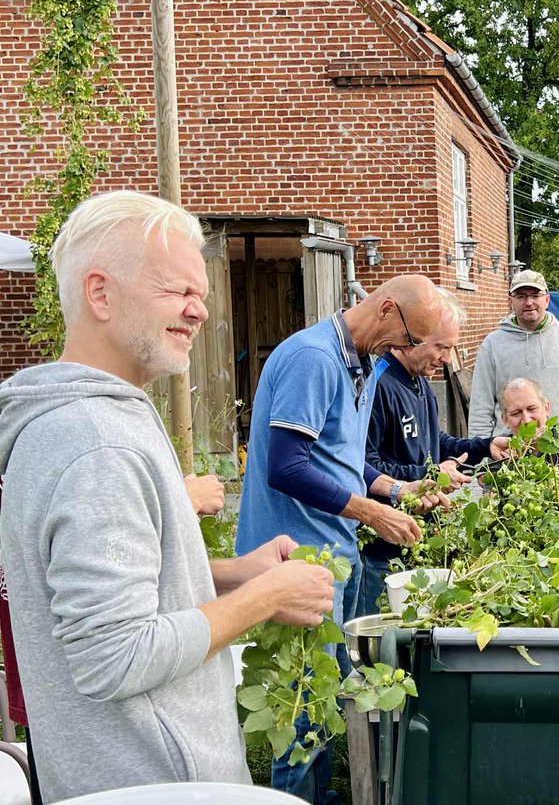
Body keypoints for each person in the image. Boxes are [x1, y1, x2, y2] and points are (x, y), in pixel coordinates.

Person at [0, 191, 335, 803]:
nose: (199, 311)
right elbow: (115, 657)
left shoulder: (84, 424)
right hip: (149, 783)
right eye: (178, 291)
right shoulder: (97, 443)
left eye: (201, 294)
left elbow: (100, 592)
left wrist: (231, 575)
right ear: (100, 294)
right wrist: (264, 597)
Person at [234, 272, 443, 803]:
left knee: (326, 692)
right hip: (292, 556)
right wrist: (372, 513)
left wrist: (400, 491)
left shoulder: (364, 366)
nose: (406, 351)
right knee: (301, 707)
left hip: (335, 552)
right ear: (387, 310)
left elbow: (343, 461)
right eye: (411, 339)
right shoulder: (314, 359)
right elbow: (287, 467)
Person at [355, 288, 509, 616]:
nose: (446, 359)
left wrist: (484, 446)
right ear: (414, 337)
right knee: (382, 641)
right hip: (381, 548)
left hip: (416, 537)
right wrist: (428, 475)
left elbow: (434, 442)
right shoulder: (379, 385)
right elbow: (362, 466)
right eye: (441, 347)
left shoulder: (420, 382)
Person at [467, 270, 559, 479]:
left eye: (535, 295)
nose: (529, 302)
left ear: (547, 299)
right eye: (521, 296)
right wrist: (482, 459)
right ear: (511, 302)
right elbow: (480, 406)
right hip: (510, 458)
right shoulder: (493, 344)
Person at [497, 377, 559, 471]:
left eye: (532, 409)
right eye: (516, 413)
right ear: (505, 420)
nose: (527, 420)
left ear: (546, 408)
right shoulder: (504, 446)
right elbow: (484, 478)